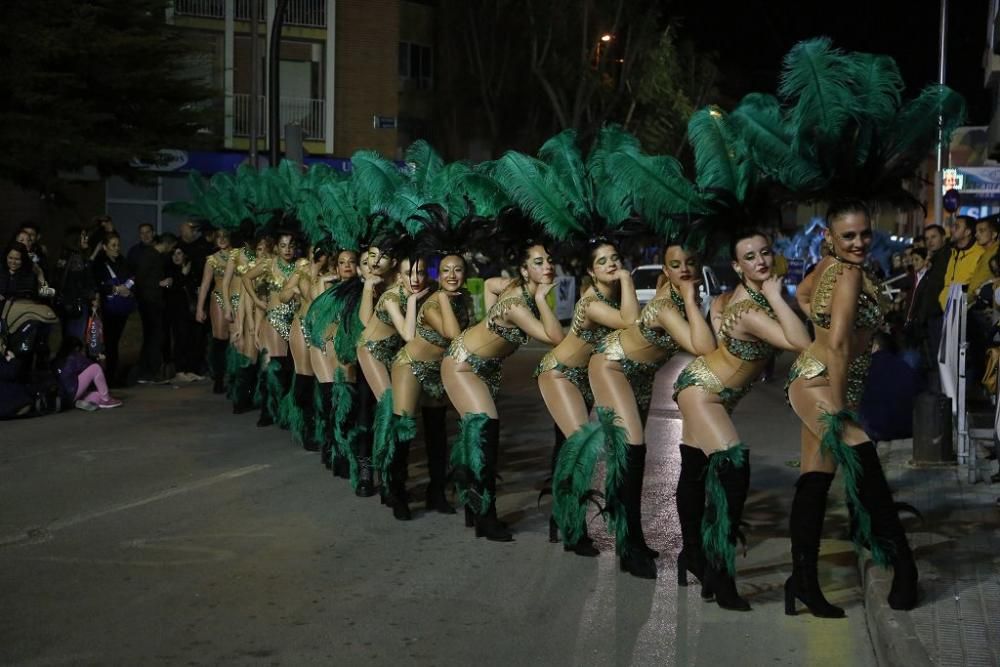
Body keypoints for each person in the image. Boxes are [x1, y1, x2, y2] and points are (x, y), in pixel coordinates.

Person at [786, 200, 918, 612]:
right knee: (864, 458)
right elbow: (840, 346)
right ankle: (905, 567)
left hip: (819, 376)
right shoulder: (846, 276)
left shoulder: (830, 266)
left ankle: (803, 582)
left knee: (816, 478)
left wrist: (819, 329)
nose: (859, 242)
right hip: (821, 383)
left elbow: (803, 295)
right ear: (830, 236)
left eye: (864, 234)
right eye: (849, 236)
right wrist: (841, 406)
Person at [674, 231, 810, 611]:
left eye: (765, 253)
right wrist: (773, 294)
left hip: (704, 386)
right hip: (704, 392)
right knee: (735, 470)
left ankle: (694, 558)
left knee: (695, 472)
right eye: (749, 257)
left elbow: (720, 328)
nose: (761, 262)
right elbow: (799, 340)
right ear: (737, 266)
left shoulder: (726, 298)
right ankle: (720, 572)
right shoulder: (752, 308)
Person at [584, 244, 715, 578]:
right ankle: (628, 547)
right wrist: (688, 297)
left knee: (631, 459)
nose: (685, 269)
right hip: (612, 366)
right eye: (676, 265)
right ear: (666, 271)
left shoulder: (679, 300)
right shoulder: (665, 307)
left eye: (690, 262)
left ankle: (633, 537)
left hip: (639, 377)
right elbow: (704, 347)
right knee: (633, 449)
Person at [442, 241, 564, 541]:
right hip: (462, 364)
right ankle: (486, 517)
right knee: (486, 429)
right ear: (524, 270)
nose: (547, 266)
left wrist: (486, 316)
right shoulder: (518, 306)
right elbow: (555, 337)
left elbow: (489, 283)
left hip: (476, 366)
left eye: (548, 260)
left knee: (479, 436)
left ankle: (475, 507)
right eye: (537, 262)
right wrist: (542, 296)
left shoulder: (510, 286)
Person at [542, 239, 638, 555]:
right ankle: (573, 531)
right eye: (602, 262)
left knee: (567, 450)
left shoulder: (611, 300)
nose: (611, 264)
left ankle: (561, 518)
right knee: (582, 449)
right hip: (560, 375)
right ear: (590, 271)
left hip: (583, 381)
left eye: (615, 258)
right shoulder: (592, 302)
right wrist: (626, 278)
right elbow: (630, 323)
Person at [195, 229, 237, 393]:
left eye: (225, 236)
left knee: (236, 341)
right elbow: (205, 284)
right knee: (220, 339)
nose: (221, 239)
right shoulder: (212, 260)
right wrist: (199, 308)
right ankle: (218, 379)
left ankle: (235, 378)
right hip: (219, 299)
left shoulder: (238, 255)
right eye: (218, 237)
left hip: (237, 300)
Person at [92, 233, 134, 385]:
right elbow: (98, 284)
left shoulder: (122, 260)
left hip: (121, 307)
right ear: (105, 247)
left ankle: (111, 374)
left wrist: (127, 288)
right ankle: (108, 376)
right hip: (107, 306)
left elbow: (131, 276)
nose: (117, 248)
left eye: (118, 245)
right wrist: (116, 289)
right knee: (108, 342)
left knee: (114, 340)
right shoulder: (99, 263)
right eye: (113, 245)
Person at [127, 223, 166, 382]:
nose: (145, 235)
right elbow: (132, 275)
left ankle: (152, 368)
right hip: (144, 300)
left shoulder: (160, 250)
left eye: (148, 232)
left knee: (156, 335)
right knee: (151, 335)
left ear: (153, 232)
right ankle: (148, 370)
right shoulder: (135, 252)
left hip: (159, 299)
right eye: (142, 233)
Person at [163, 245, 202, 382]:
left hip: (190, 310)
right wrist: (182, 275)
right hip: (176, 311)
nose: (176, 256)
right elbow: (170, 287)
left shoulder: (191, 270)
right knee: (180, 339)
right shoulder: (170, 270)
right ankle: (180, 370)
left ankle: (190, 369)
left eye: (179, 253)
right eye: (174, 254)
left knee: (192, 338)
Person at [55, 227, 98, 341]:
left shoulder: (64, 255)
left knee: (67, 338)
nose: (86, 239)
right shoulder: (77, 259)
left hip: (65, 304)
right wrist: (92, 297)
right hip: (76, 304)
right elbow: (80, 283)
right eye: (83, 236)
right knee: (75, 340)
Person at [55, 337, 122, 410]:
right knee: (95, 368)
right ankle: (106, 400)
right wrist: (101, 359)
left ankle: (82, 402)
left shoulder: (57, 359)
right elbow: (93, 367)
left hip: (64, 397)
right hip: (72, 391)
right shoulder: (74, 356)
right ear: (77, 348)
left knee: (97, 394)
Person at [937, 216, 984, 310]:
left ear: (968, 232)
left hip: (963, 311)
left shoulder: (980, 253)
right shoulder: (953, 251)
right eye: (953, 226)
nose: (952, 229)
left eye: (957, 227)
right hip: (945, 309)